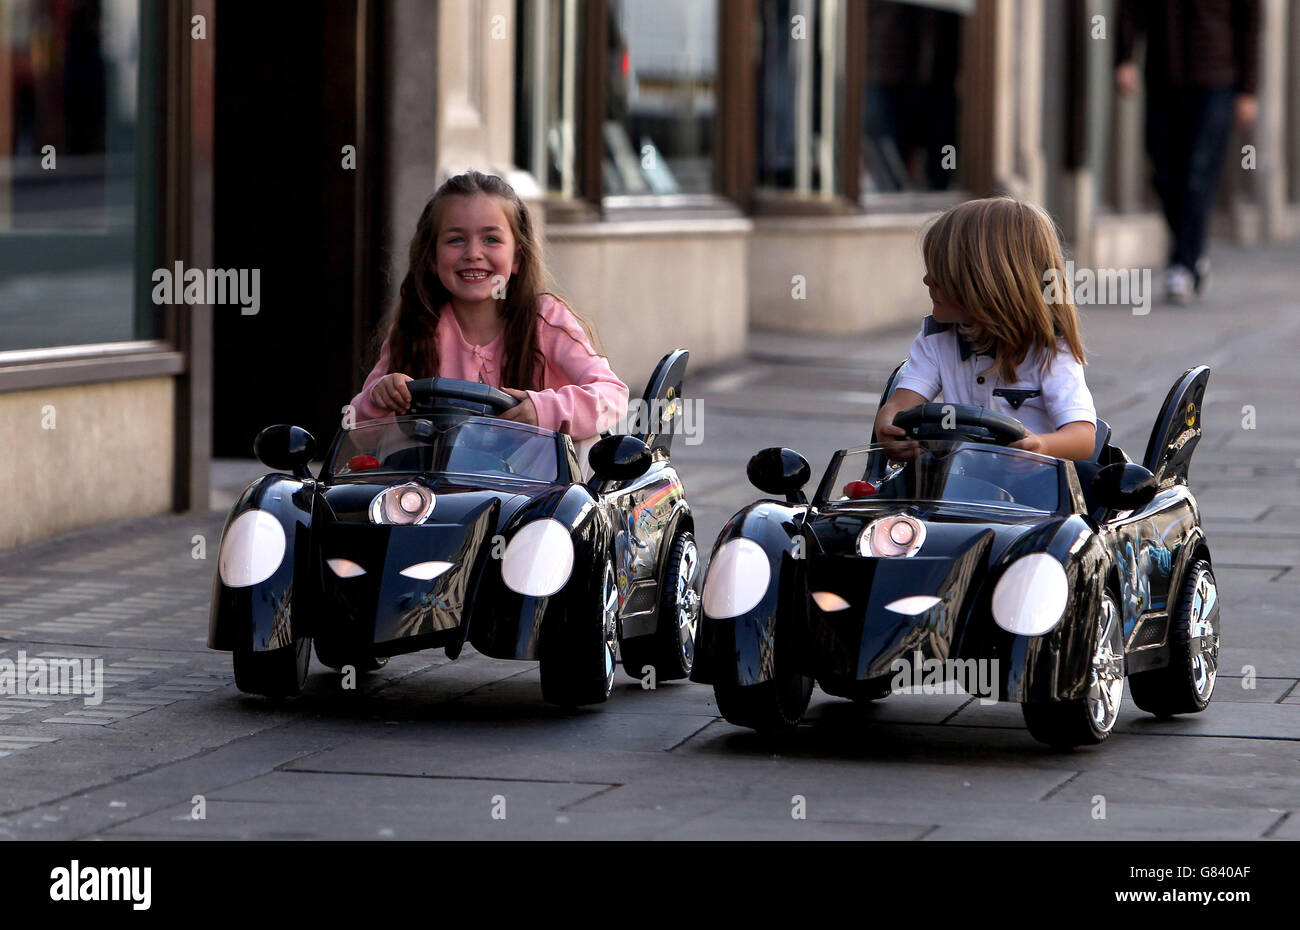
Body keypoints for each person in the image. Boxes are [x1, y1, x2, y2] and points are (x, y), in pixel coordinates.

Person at [350, 171, 629, 458]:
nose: (473, 253)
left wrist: (545, 410)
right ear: (432, 257)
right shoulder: (417, 325)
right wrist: (380, 397)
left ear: (518, 257)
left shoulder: (544, 320)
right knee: (397, 444)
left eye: (491, 239)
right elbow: (358, 429)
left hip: (533, 491)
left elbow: (613, 396)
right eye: (456, 239)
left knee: (583, 441)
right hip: (444, 490)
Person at [873, 197, 1098, 462]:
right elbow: (899, 405)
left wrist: (1040, 446)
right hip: (957, 482)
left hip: (1033, 492)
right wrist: (888, 429)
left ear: (986, 282)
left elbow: (1083, 439)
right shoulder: (937, 338)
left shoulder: (1050, 349)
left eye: (941, 272)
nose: (926, 279)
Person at [1115, 0, 1260, 304]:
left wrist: (1248, 90)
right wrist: (1124, 58)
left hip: (1216, 82)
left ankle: (1183, 264)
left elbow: (1250, 23)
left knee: (1197, 172)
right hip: (1163, 76)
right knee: (1163, 173)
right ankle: (1193, 253)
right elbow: (1130, 8)